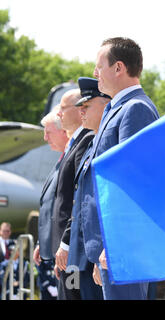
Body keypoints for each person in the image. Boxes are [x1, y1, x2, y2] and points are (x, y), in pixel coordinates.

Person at [73, 37, 159, 300]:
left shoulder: (136, 109)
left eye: (99, 66)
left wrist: (114, 244)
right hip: (110, 246)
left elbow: (132, 184)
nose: (95, 74)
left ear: (119, 68)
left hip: (123, 247)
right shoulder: (117, 108)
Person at [63, 77, 111, 300]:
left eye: (87, 106)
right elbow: (79, 201)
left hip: (92, 254)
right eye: (79, 107)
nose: (81, 112)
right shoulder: (93, 144)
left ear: (105, 102)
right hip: (79, 253)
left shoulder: (101, 142)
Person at [48, 89, 96, 300]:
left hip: (74, 252)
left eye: (63, 108)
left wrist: (65, 243)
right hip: (67, 252)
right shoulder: (74, 144)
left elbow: (77, 196)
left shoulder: (85, 140)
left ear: (78, 111)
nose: (58, 113)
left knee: (72, 296)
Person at [33, 105, 68, 300]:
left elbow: (67, 207)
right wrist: (42, 241)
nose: (45, 138)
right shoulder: (61, 160)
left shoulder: (71, 159)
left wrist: (62, 246)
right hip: (54, 252)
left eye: (48, 132)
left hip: (65, 254)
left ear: (63, 131)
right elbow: (50, 206)